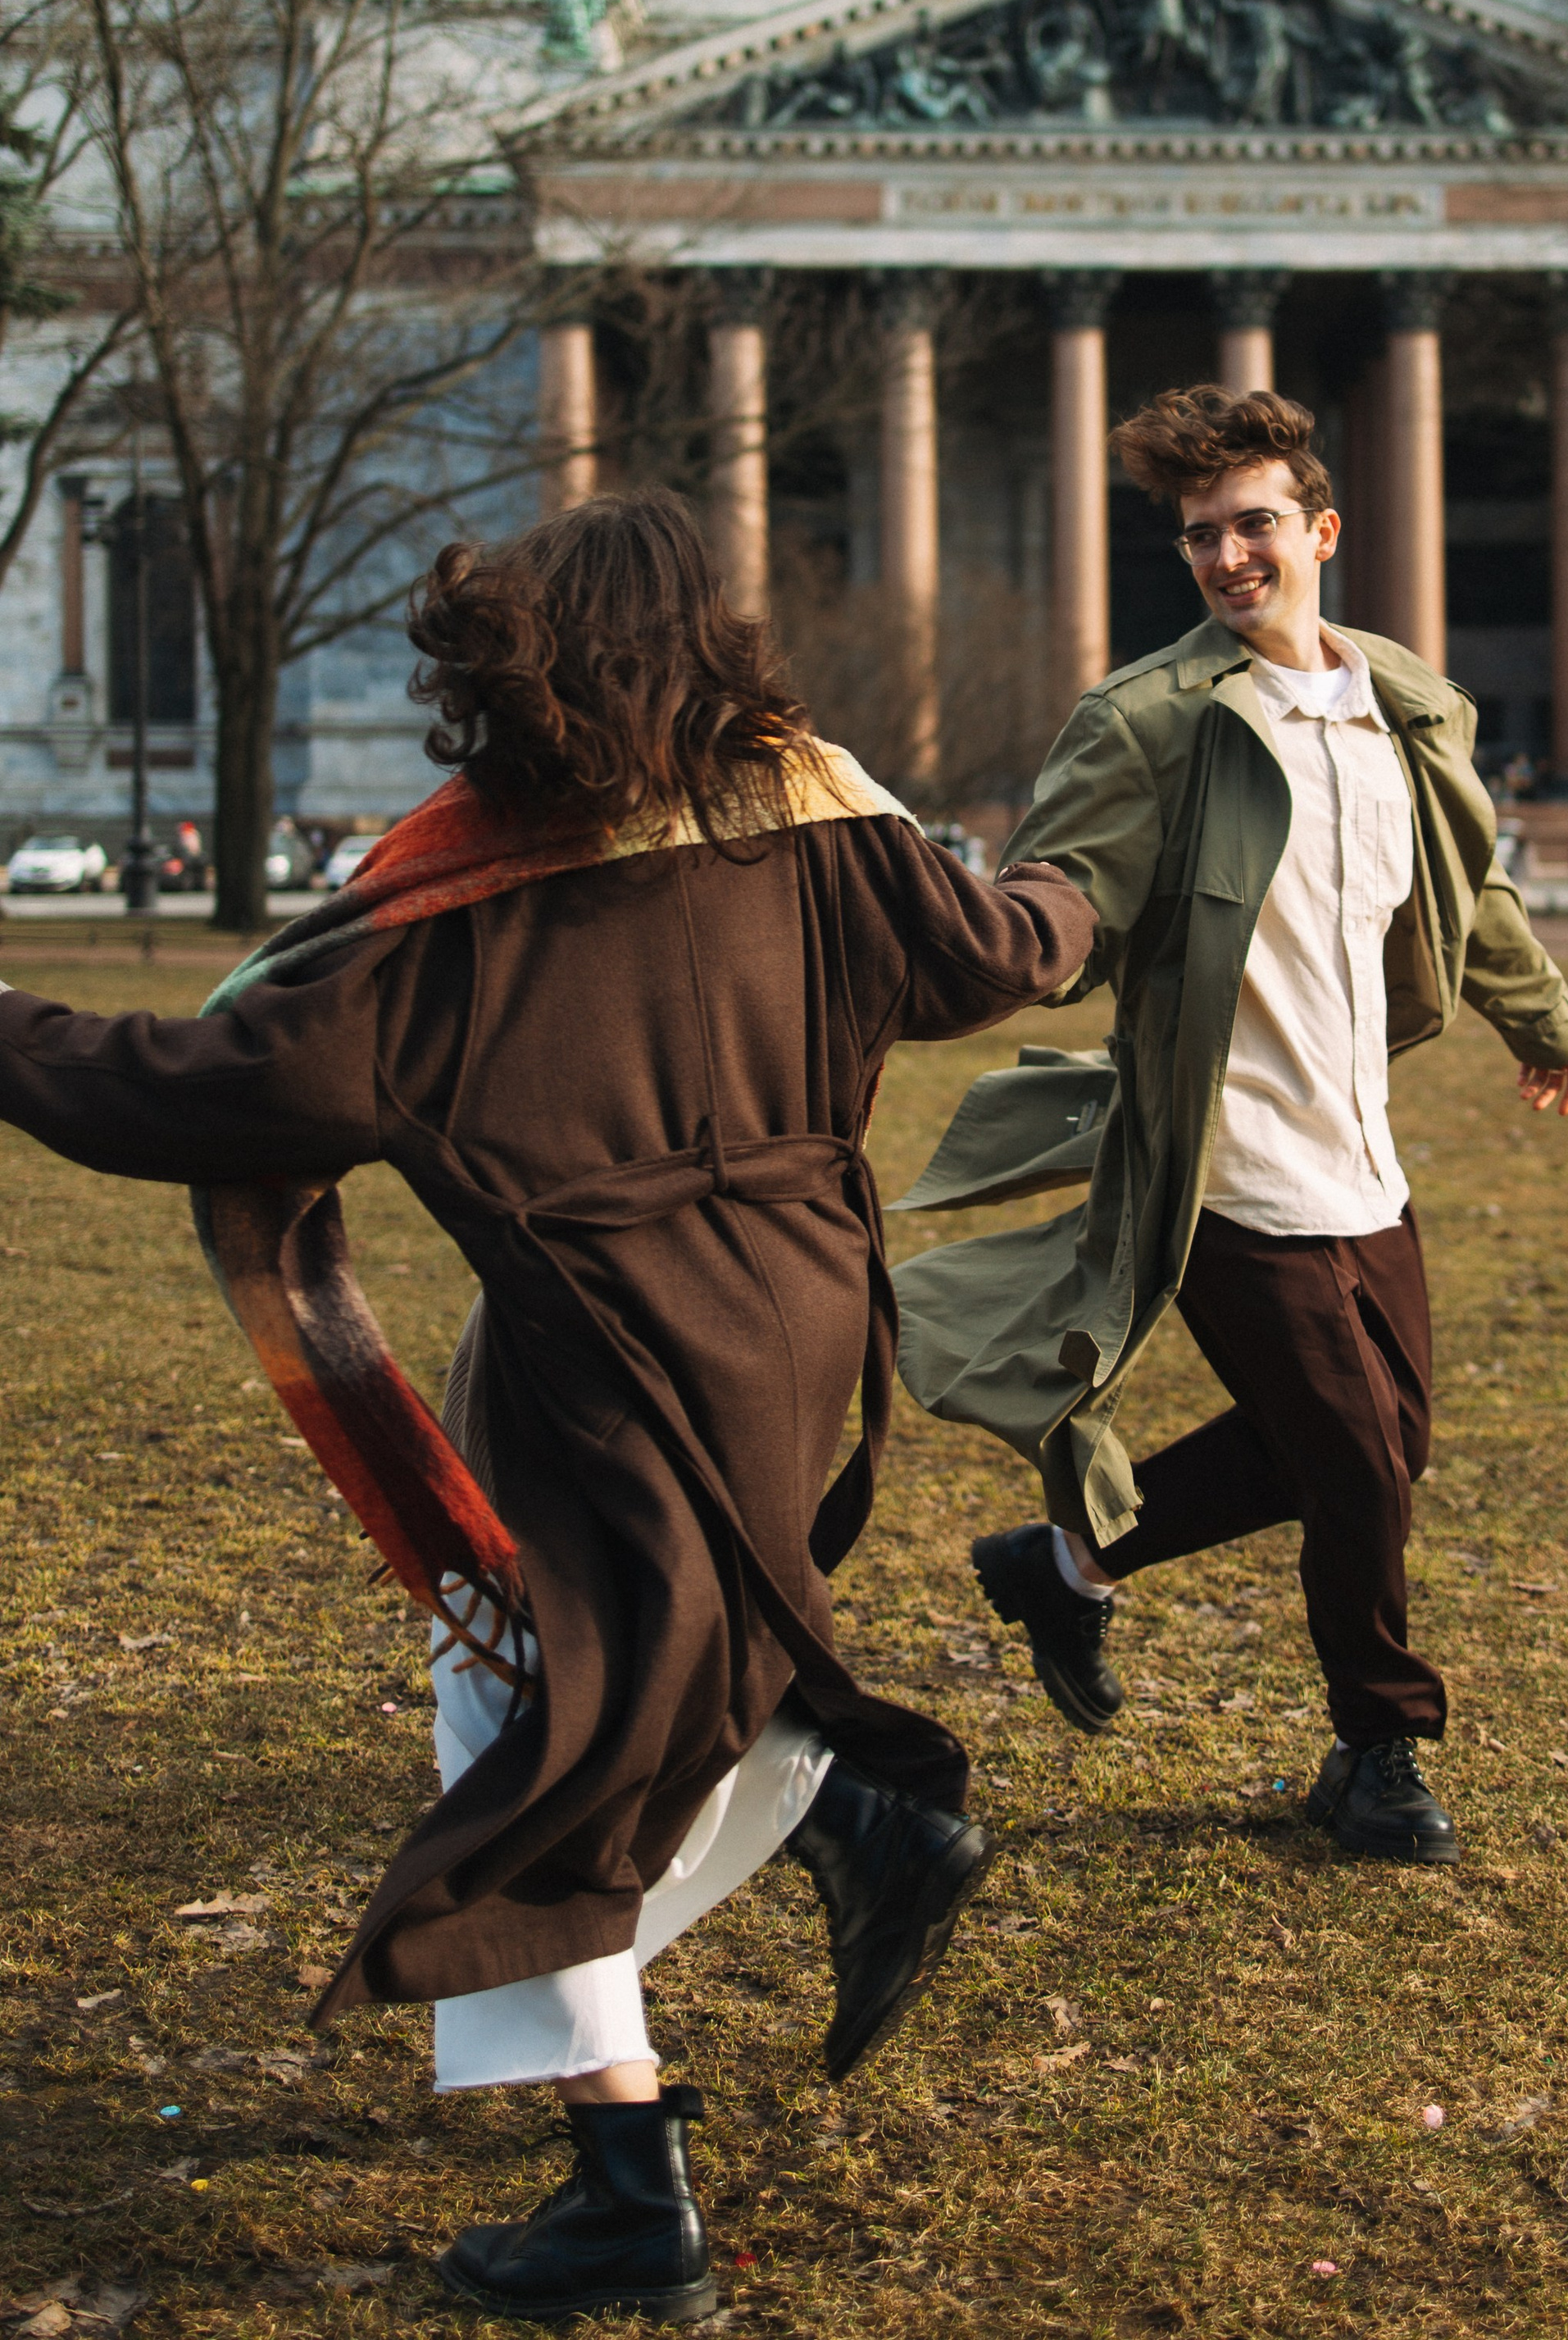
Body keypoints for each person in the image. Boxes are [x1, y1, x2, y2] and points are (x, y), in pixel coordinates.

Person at [0, 490, 1093, 2326]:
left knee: (536, 1723)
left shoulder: (471, 899)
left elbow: (196, 1082)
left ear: (518, 652)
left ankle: (640, 2169)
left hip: (610, 1354)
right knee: (621, 1670)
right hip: (805, 1320)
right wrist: (1079, 882)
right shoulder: (815, 815)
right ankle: (833, 1824)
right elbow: (999, 949)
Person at [889, 388, 1568, 1869]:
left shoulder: (1404, 702)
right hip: (1220, 1160)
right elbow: (1062, 888)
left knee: (1381, 1443)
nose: (1226, 555)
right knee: (1355, 1464)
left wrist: (1541, 1019)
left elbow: (1469, 885)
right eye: (1201, 535)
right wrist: (987, 949)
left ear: (1322, 531)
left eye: (1254, 523)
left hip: (1362, 1151)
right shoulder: (1151, 718)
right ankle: (1380, 1748)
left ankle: (1066, 1564)